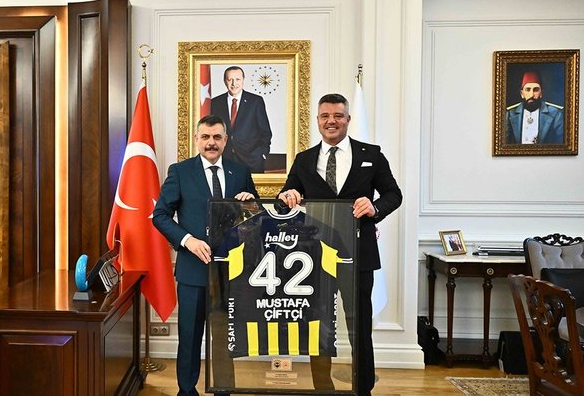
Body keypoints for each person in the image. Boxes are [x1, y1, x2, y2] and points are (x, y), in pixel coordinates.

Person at [277, 93, 402, 396]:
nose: (331, 121)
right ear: (318, 120)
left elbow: (393, 195)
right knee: (318, 326)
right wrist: (287, 196)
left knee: (359, 327)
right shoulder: (304, 159)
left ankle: (363, 389)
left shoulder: (372, 155)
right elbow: (286, 197)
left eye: (337, 116)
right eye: (325, 116)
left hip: (358, 255)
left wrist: (375, 207)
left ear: (348, 119)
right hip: (314, 258)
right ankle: (323, 389)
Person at [152, 114, 259, 396]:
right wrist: (187, 240)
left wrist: (251, 205)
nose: (211, 143)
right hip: (192, 271)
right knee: (190, 337)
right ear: (196, 139)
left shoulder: (240, 172)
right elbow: (160, 215)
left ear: (225, 140)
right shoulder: (180, 171)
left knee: (224, 338)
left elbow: (255, 217)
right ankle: (186, 391)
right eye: (206, 137)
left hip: (230, 272)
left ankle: (223, 390)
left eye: (217, 137)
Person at [211, 66, 272, 173]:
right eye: (230, 79)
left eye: (237, 79)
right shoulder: (216, 102)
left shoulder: (255, 101)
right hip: (224, 160)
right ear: (225, 81)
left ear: (243, 80)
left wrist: (263, 154)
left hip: (252, 161)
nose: (234, 83)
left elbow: (265, 132)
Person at [506, 71, 564, 144]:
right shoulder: (510, 114)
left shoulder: (555, 114)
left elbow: (559, 145)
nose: (531, 94)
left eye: (536, 90)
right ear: (522, 94)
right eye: (528, 90)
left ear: (541, 93)